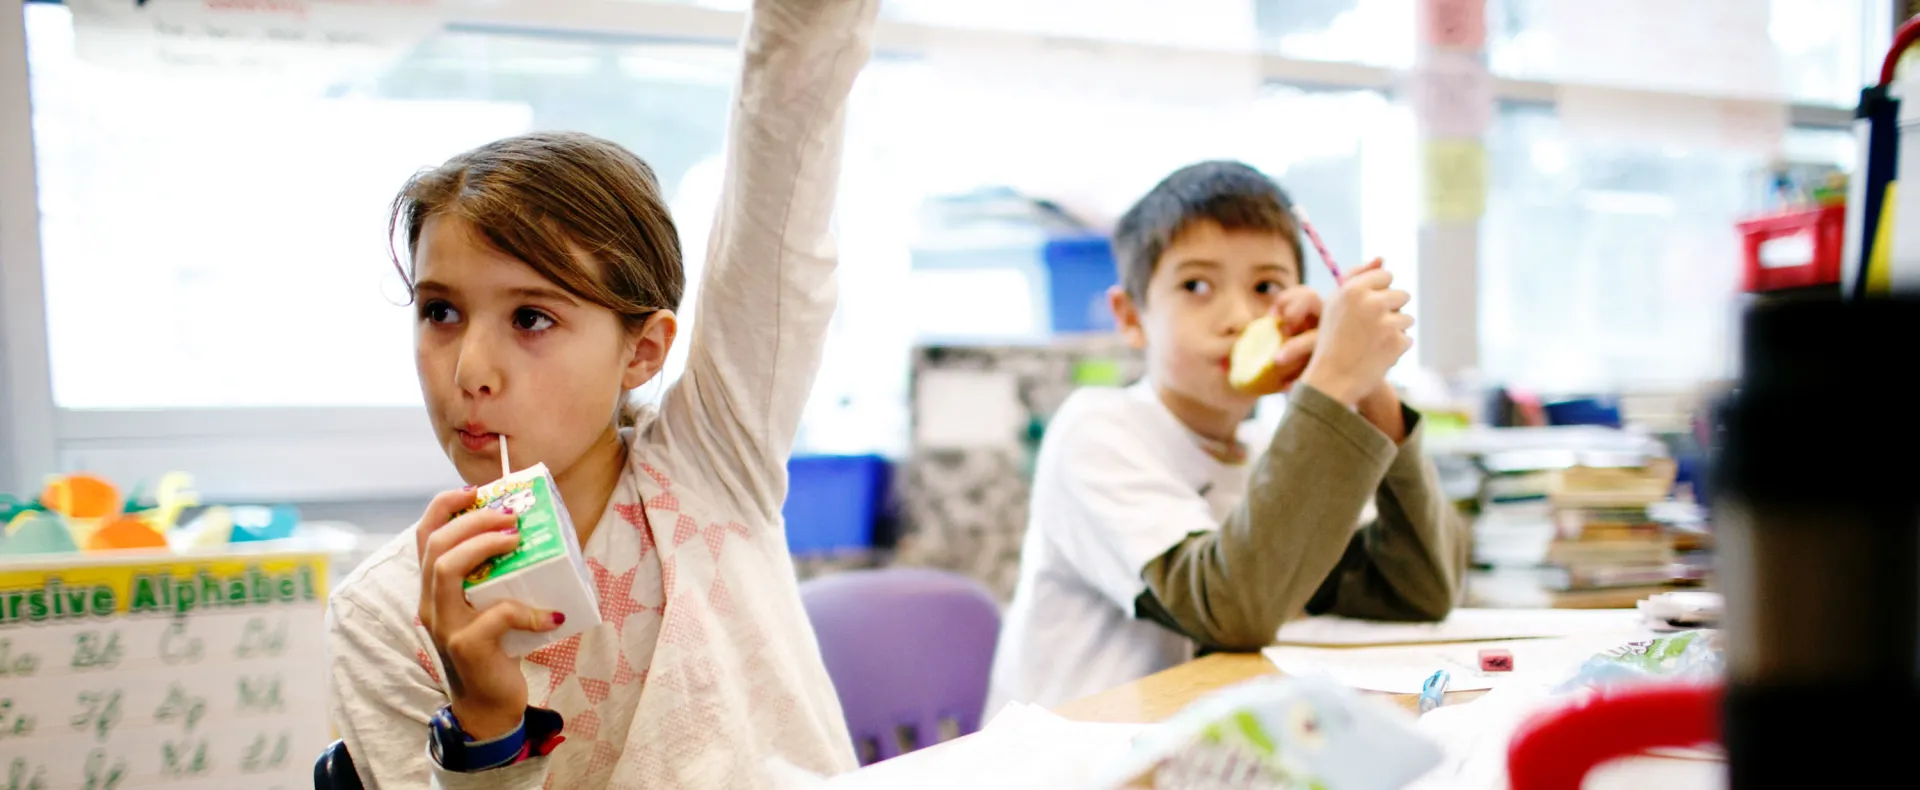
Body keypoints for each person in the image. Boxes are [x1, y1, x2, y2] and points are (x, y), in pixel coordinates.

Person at [323, 1, 879, 786]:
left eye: (532, 317)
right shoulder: (385, 617)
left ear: (642, 351)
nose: (470, 371)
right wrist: (484, 726)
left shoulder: (709, 465)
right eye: (440, 311)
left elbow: (784, 174)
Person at [987, 161, 1469, 711]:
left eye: (1266, 287)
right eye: (1196, 286)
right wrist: (1330, 384)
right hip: (1067, 760)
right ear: (1131, 316)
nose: (1238, 317)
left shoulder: (1270, 447)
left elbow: (1414, 590)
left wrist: (1368, 388)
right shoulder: (1097, 429)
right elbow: (1230, 608)